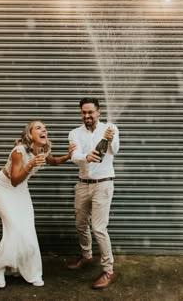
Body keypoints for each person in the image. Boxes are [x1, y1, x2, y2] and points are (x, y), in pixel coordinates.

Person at [0, 120, 75, 289]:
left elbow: (53, 161)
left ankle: (32, 272)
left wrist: (68, 156)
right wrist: (30, 164)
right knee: (14, 230)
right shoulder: (19, 151)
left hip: (21, 190)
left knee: (28, 230)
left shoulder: (44, 148)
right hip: (3, 189)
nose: (44, 130)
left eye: (45, 128)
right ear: (30, 134)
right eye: (39, 128)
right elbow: (14, 181)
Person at [68, 97, 119, 289]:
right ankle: (87, 256)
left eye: (90, 112)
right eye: (84, 112)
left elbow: (115, 151)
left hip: (103, 184)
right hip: (82, 184)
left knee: (98, 228)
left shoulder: (110, 128)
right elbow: (74, 156)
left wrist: (111, 138)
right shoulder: (74, 133)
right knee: (80, 223)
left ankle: (109, 271)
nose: (87, 115)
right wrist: (85, 156)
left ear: (98, 112)